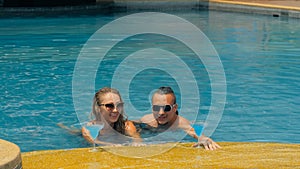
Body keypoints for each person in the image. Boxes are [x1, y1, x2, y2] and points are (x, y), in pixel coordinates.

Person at [140, 86, 221, 150]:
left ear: (175, 108)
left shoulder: (179, 123)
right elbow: (130, 126)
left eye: (166, 108)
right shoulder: (146, 120)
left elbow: (193, 131)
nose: (161, 113)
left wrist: (203, 138)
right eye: (156, 108)